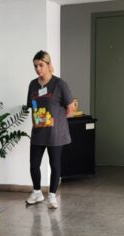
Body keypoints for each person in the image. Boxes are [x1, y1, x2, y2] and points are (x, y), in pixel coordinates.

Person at [25, 50, 75, 209]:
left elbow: (70, 108)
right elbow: (31, 106)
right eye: (35, 66)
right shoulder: (33, 84)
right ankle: (37, 192)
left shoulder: (60, 84)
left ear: (48, 64)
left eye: (41, 65)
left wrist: (57, 120)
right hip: (38, 131)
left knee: (55, 165)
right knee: (34, 164)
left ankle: (52, 196)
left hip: (55, 133)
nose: (38, 69)